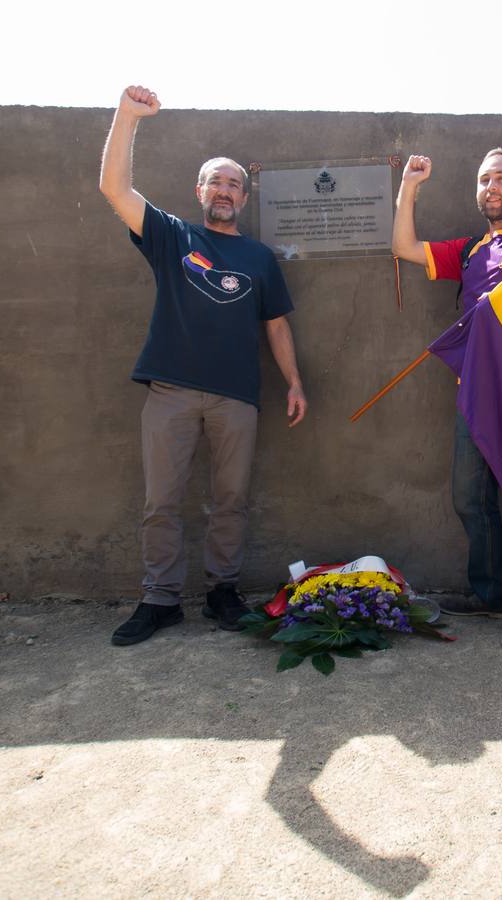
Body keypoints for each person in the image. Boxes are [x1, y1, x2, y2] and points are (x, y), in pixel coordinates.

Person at [98, 85, 307, 646]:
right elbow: (114, 188)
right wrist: (127, 118)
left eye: (234, 183)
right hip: (170, 390)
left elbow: (277, 325)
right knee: (161, 502)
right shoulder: (172, 235)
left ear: (244, 198)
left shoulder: (259, 258)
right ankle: (159, 600)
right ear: (200, 190)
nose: (224, 189)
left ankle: (222, 593)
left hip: (237, 396)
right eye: (215, 180)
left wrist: (293, 383)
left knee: (230, 501)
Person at [391, 147, 502, 649]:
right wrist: (409, 186)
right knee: (470, 496)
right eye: (484, 180)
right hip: (474, 393)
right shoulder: (467, 250)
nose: (492, 188)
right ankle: (493, 595)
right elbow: (403, 247)